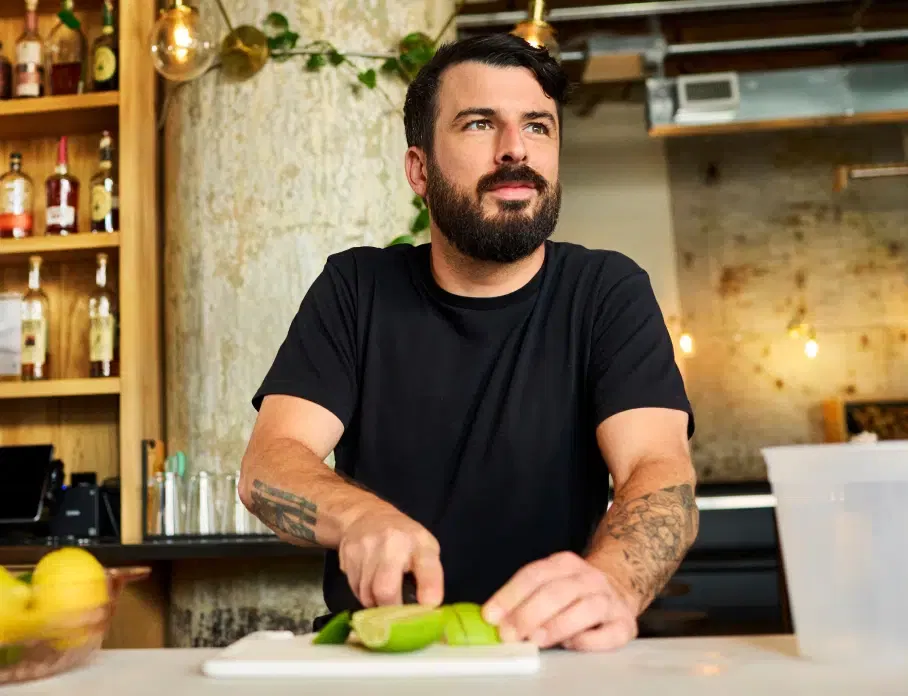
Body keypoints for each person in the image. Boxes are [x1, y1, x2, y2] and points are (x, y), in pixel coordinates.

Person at [239, 32, 698, 653]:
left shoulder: (607, 291)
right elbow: (269, 463)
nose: (515, 150)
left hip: (553, 655)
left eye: (537, 126)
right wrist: (359, 517)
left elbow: (658, 469)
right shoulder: (356, 288)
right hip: (380, 662)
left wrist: (613, 581)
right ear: (419, 170)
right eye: (481, 123)